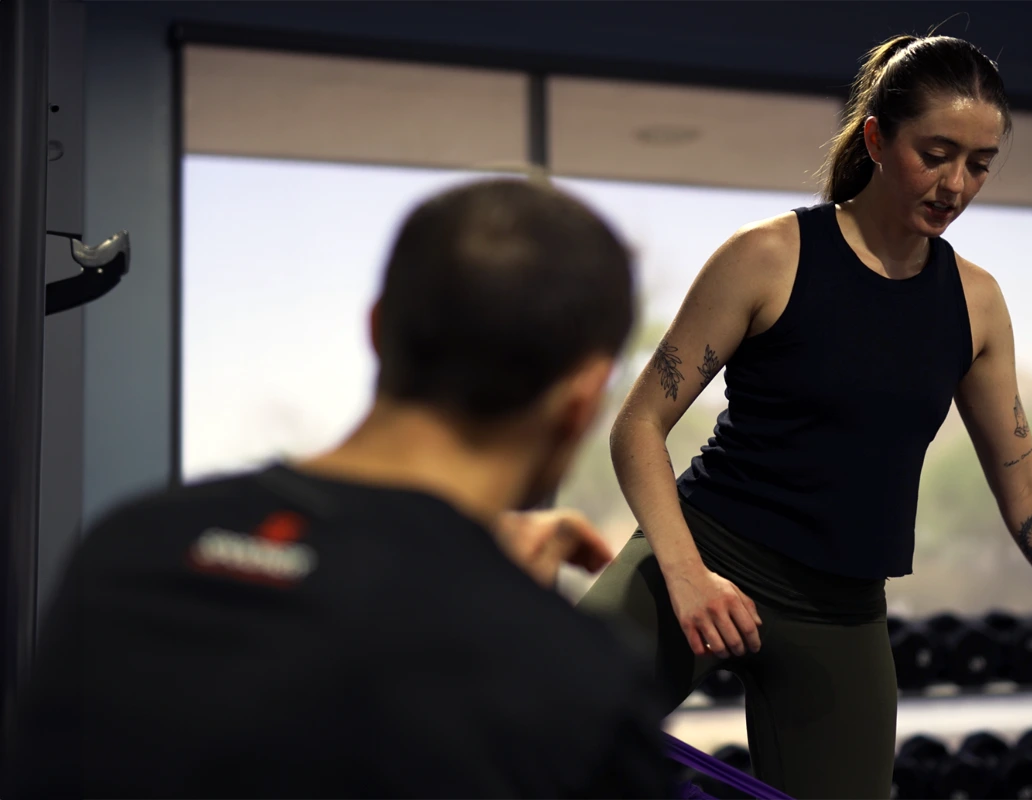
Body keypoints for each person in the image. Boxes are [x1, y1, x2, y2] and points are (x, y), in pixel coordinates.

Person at [578, 33, 1032, 798]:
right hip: (706, 555)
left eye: (979, 165)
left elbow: (1028, 492)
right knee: (524, 743)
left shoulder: (974, 304)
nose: (956, 184)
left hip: (839, 610)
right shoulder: (769, 257)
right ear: (878, 138)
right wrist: (686, 575)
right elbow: (639, 423)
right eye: (937, 153)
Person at [14, 179, 672, 799]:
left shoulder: (129, 546)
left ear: (378, 328)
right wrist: (496, 600)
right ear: (583, 399)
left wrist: (466, 575)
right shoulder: (572, 675)